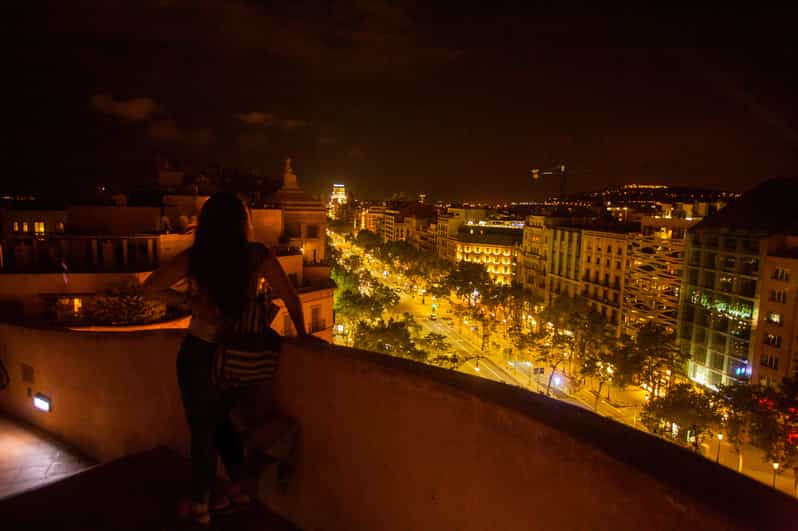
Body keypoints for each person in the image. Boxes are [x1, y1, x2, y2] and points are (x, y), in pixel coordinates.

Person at [142, 192, 309, 526]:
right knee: (222, 425)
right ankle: (240, 488)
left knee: (203, 430)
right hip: (236, 358)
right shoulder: (255, 256)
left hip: (199, 351)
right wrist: (303, 337)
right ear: (241, 223)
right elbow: (289, 296)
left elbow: (150, 287)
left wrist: (191, 303)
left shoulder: (198, 258)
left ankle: (202, 503)